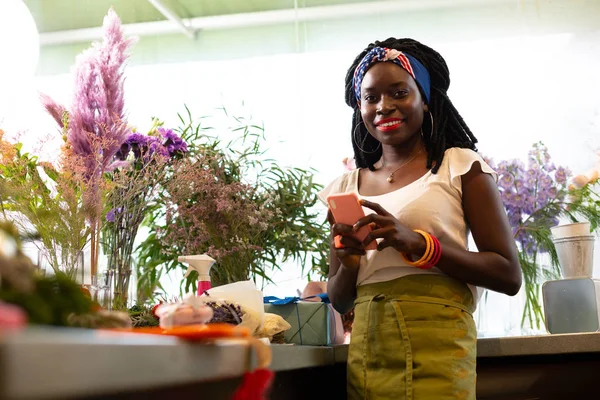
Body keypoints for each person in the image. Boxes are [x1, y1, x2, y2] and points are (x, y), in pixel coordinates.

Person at [317, 38, 522, 399]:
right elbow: (339, 299)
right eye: (371, 97)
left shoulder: (459, 167)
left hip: (439, 348)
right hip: (369, 353)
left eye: (399, 92)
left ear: (425, 98)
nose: (384, 106)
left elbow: (508, 274)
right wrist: (349, 265)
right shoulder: (345, 188)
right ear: (359, 107)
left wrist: (421, 245)